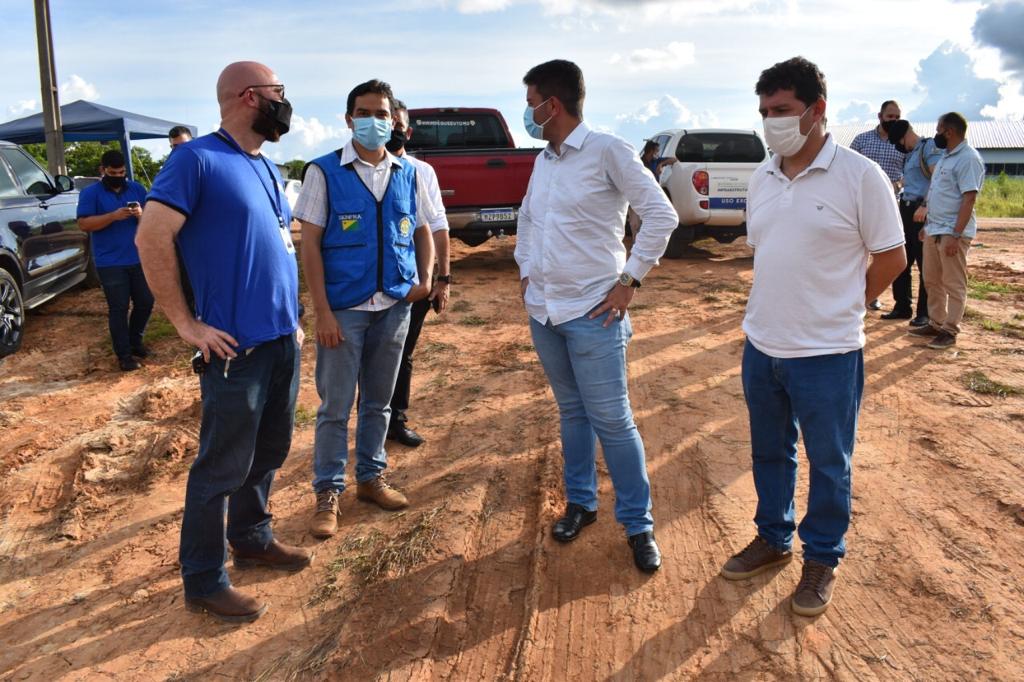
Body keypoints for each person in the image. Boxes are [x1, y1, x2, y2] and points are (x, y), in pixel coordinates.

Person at [720, 57, 905, 617]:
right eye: (763, 111)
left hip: (828, 352)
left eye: (781, 110)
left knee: (829, 461)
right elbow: (768, 253)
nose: (770, 122)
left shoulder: (860, 176)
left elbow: (892, 257)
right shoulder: (763, 176)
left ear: (817, 109)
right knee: (769, 451)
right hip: (763, 345)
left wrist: (845, 304)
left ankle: (822, 556)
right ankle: (773, 538)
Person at [136, 61, 311, 623]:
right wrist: (186, 324)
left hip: (281, 340)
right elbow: (151, 237)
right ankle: (204, 579)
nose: (285, 102)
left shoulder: (266, 165)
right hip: (235, 351)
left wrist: (293, 319)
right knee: (220, 469)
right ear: (250, 96)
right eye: (279, 92)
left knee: (269, 450)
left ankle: (252, 537)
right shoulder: (196, 160)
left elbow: (276, 245)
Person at [515, 59, 678, 573]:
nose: (526, 112)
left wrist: (629, 281)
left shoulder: (608, 150)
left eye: (530, 102)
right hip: (545, 313)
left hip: (594, 313)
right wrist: (525, 271)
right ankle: (581, 503)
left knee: (612, 420)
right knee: (572, 412)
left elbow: (662, 215)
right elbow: (527, 218)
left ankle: (638, 524)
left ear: (552, 105)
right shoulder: (544, 161)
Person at [297, 80, 434, 540]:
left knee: (379, 402)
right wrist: (322, 311)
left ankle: (371, 477)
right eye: (364, 112)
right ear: (348, 118)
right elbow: (310, 245)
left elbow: (422, 228)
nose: (373, 120)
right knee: (335, 407)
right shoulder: (323, 172)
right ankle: (328, 492)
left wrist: (425, 279)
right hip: (344, 310)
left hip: (393, 306)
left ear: (394, 120)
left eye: (381, 113)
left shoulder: (408, 172)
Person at [385, 100, 451, 447]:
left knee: (403, 352)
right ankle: (372, 421)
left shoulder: (420, 172)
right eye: (386, 121)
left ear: (408, 132)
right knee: (371, 356)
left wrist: (442, 279)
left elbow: (437, 225)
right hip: (372, 284)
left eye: (397, 124)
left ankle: (395, 421)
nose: (391, 129)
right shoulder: (356, 171)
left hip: (414, 284)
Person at [908, 112, 985, 350]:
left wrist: (956, 234)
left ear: (949, 132)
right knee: (932, 280)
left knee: (953, 283)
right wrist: (928, 225)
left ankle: (950, 330)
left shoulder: (968, 159)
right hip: (935, 229)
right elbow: (936, 193)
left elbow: (969, 199)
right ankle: (936, 322)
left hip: (952, 232)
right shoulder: (945, 157)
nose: (936, 135)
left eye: (938, 130)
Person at [76, 149, 154, 371]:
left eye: (121, 173)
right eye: (113, 173)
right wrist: (112, 216)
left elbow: (152, 219)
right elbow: (84, 224)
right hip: (110, 262)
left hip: (138, 257)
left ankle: (135, 341)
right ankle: (124, 355)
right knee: (119, 308)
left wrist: (141, 215)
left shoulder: (137, 189)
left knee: (146, 302)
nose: (118, 176)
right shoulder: (90, 193)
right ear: (103, 170)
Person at [881, 119, 943, 326]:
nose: (899, 147)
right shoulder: (909, 155)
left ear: (906, 134)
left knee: (925, 263)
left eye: (899, 142)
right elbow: (912, 180)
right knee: (902, 259)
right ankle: (902, 306)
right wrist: (897, 185)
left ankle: (924, 313)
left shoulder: (928, 148)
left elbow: (937, 179)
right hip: (906, 209)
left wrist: (926, 205)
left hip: (921, 211)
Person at [851, 100, 905, 311]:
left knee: (887, 250)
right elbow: (846, 168)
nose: (894, 120)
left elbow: (910, 172)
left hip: (892, 203)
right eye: (890, 116)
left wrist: (897, 184)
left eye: (897, 117)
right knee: (859, 249)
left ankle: (876, 294)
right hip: (859, 204)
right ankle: (861, 293)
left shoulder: (902, 143)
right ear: (880, 116)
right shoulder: (862, 140)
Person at [166, 126, 196, 312]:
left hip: (206, 244)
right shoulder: (168, 173)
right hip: (182, 245)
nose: (178, 151)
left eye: (183, 146)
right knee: (189, 294)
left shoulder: (205, 165)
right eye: (174, 147)